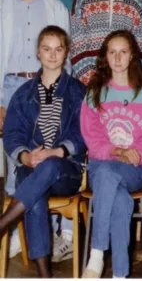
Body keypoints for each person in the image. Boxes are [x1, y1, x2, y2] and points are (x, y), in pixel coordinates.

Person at [0, 0, 71, 261]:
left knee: (46, 156)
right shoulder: (2, 6)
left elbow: (65, 56)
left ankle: (50, 233)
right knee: (18, 160)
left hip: (48, 84)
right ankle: (17, 234)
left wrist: (63, 96)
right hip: (11, 86)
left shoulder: (55, 7)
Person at [2, 26, 86, 278]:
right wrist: (25, 156)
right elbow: (12, 133)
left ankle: (3, 223)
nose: (52, 55)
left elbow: (84, 132)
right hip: (31, 168)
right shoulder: (23, 93)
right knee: (34, 194)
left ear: (66, 52)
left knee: (48, 167)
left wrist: (57, 152)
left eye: (58, 49)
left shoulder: (77, 91)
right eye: (46, 49)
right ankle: (44, 275)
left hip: (66, 171)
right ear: (38, 52)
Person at [80, 30, 142, 278]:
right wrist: (116, 150)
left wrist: (139, 154)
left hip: (134, 168)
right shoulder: (95, 92)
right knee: (120, 199)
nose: (118, 58)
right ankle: (120, 274)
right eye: (112, 52)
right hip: (102, 165)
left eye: (123, 52)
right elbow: (91, 137)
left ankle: (96, 255)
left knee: (107, 176)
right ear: (105, 57)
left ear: (132, 55)